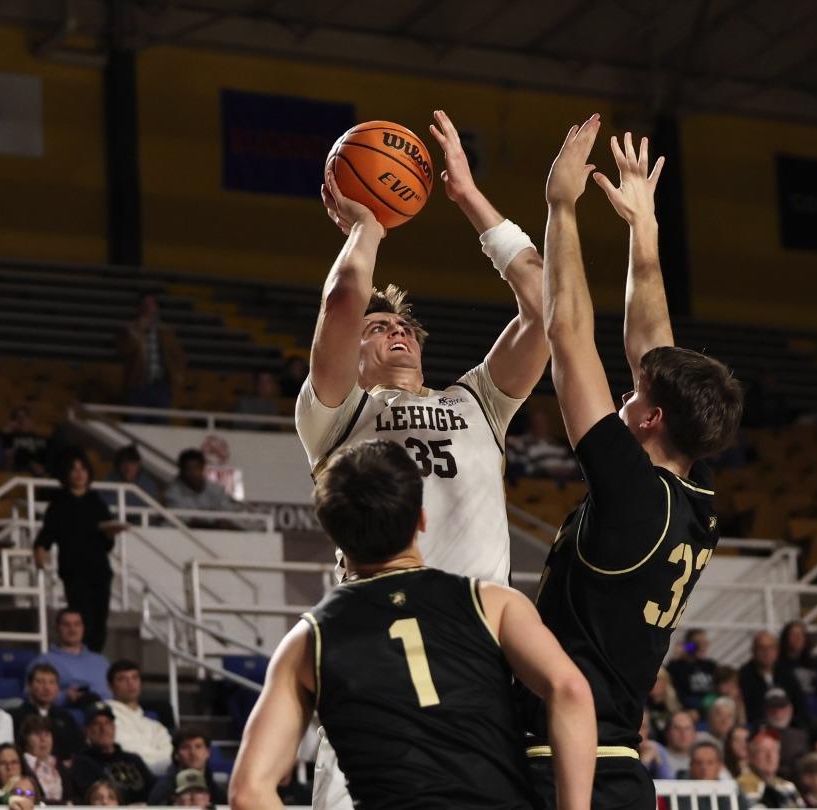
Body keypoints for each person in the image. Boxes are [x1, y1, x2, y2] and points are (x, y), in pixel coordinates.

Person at [296, 111, 551, 810]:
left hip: (472, 656)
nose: (396, 332)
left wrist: (468, 196)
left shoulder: (479, 403)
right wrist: (366, 228)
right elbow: (346, 295)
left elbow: (545, 306)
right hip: (372, 645)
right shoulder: (338, 410)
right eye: (380, 329)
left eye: (405, 325)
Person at [520, 121, 742, 809]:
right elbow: (654, 347)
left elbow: (567, 333)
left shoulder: (632, 495)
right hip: (614, 762)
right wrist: (643, 226)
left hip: (559, 763)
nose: (623, 392)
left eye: (631, 395)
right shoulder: (693, 489)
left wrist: (561, 208)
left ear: (648, 422)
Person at [229, 440, 595, 810]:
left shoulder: (308, 641)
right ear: (421, 518)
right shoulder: (493, 604)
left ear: (333, 534)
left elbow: (248, 791)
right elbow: (571, 690)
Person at [33, 451, 121, 653]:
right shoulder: (59, 503)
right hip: (74, 570)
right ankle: (81, 655)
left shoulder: (96, 501)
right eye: (74, 470)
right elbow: (48, 533)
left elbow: (107, 544)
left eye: (83, 469)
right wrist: (40, 549)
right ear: (67, 474)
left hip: (99, 569)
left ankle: (95, 658)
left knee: (100, 619)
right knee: (82, 617)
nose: (79, 474)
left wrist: (110, 534)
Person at [71, 702, 156, 804]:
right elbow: (98, 796)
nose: (103, 729)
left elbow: (155, 788)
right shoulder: (82, 763)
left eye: (107, 723)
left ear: (114, 727)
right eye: (96, 724)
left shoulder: (133, 759)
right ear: (87, 731)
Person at [117, 292, 186, 410]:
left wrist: (177, 374)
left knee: (160, 422)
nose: (148, 308)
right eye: (145, 304)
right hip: (137, 383)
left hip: (161, 384)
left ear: (156, 308)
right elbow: (122, 351)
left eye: (151, 304)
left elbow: (178, 355)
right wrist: (138, 332)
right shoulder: (129, 329)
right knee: (136, 422)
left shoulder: (166, 331)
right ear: (139, 308)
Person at [106, 659, 173, 774]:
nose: (130, 683)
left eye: (134, 678)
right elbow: (124, 750)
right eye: (122, 679)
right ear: (111, 686)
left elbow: (171, 753)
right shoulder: (106, 715)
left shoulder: (153, 724)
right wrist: (157, 756)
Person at [34, 608, 113, 705]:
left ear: (83, 628)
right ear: (57, 628)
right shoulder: (44, 660)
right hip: (70, 714)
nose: (72, 629)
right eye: (66, 625)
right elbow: (30, 694)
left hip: (111, 712)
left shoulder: (101, 661)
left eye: (77, 624)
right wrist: (65, 696)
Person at [11, 661, 85, 760]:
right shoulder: (15, 717)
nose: (47, 687)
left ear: (57, 688)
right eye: (40, 682)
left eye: (52, 682)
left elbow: (79, 749)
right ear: (29, 686)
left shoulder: (66, 718)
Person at [741, 631, 808, 727]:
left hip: (789, 728)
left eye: (770, 648)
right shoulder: (744, 676)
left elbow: (800, 706)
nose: (766, 652)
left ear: (777, 651)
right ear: (753, 651)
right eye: (761, 648)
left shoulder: (787, 673)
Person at [149, 728, 226, 806]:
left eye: (198, 746)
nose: (193, 752)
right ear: (176, 755)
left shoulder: (217, 790)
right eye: (185, 747)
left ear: (208, 752)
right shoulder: (163, 789)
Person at [506, 409, 580, 483]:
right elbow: (525, 466)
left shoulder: (558, 445)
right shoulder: (523, 443)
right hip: (539, 481)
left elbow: (572, 464)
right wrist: (545, 470)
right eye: (537, 422)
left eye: (543, 422)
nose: (540, 425)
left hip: (565, 481)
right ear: (531, 424)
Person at [674, 740, 749, 810]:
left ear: (720, 767)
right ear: (690, 766)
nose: (704, 767)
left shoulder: (732, 790)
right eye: (698, 762)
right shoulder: (678, 790)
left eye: (710, 763)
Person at [736, 729, 802, 808]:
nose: (770, 756)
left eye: (774, 750)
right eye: (763, 751)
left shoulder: (788, 787)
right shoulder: (738, 787)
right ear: (750, 756)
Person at [162, 448, 237, 516]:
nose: (193, 473)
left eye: (196, 468)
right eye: (188, 469)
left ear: (202, 468)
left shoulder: (216, 490)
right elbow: (185, 520)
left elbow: (227, 514)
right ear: (182, 471)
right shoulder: (172, 493)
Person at [19, 714, 75, 804]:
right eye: (37, 734)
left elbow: (70, 797)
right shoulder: (20, 765)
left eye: (47, 734)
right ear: (26, 738)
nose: (43, 739)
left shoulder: (59, 765)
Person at [760, 688, 810, 779]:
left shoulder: (800, 736)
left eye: (782, 708)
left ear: (790, 709)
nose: (778, 714)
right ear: (766, 711)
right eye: (773, 709)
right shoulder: (758, 736)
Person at [666, 629, 719, 711]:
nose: (703, 646)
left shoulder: (710, 665)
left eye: (705, 642)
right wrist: (681, 652)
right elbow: (677, 694)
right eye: (699, 643)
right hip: (688, 709)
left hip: (710, 708)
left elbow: (717, 690)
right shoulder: (676, 666)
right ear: (690, 645)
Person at [778, 620, 817, 704]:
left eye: (801, 634)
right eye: (793, 635)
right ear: (785, 638)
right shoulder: (778, 665)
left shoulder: (814, 663)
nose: (798, 638)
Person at [103, 444, 156, 509]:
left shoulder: (147, 483)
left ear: (138, 464)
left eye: (132, 464)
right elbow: (103, 501)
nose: (128, 468)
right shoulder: (110, 479)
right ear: (118, 465)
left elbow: (147, 505)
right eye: (124, 463)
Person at [3, 405, 52, 476]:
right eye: (18, 417)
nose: (22, 420)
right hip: (22, 471)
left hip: (42, 471)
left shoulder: (42, 439)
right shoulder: (10, 438)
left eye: (25, 417)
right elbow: (9, 461)